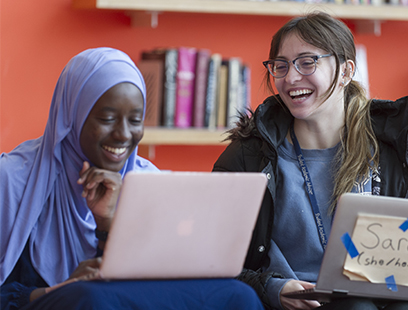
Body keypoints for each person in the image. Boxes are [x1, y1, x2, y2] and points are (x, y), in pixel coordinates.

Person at [0, 47, 264, 310]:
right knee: (90, 299)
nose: (123, 134)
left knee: (238, 296)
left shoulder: (146, 180)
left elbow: (137, 289)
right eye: (107, 118)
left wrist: (108, 222)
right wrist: (57, 291)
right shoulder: (13, 180)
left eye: (135, 120)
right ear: (72, 115)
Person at [213, 12, 408, 310]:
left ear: (345, 72)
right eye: (281, 66)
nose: (291, 78)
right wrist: (272, 288)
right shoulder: (248, 156)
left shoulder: (392, 152)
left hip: (376, 299)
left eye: (307, 62)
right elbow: (212, 258)